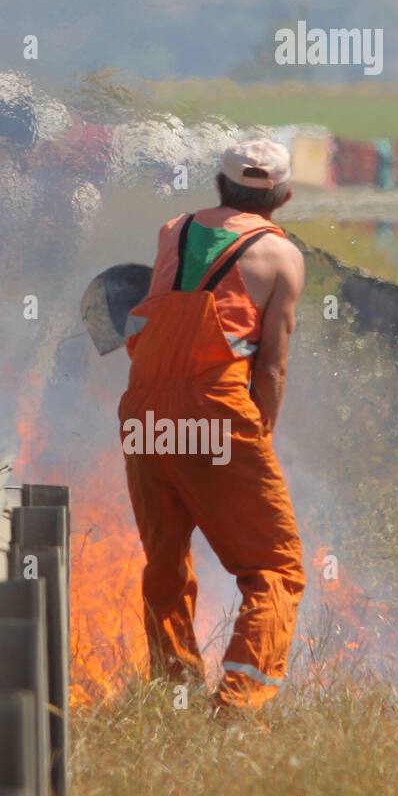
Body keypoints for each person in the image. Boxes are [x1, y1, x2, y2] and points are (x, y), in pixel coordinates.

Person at [119, 138, 306, 713]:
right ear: (284, 195)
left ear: (219, 185)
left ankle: (172, 693)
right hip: (218, 412)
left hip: (145, 412)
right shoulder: (280, 257)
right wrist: (258, 435)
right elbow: (271, 364)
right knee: (275, 566)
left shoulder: (172, 229)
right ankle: (239, 707)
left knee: (167, 562)